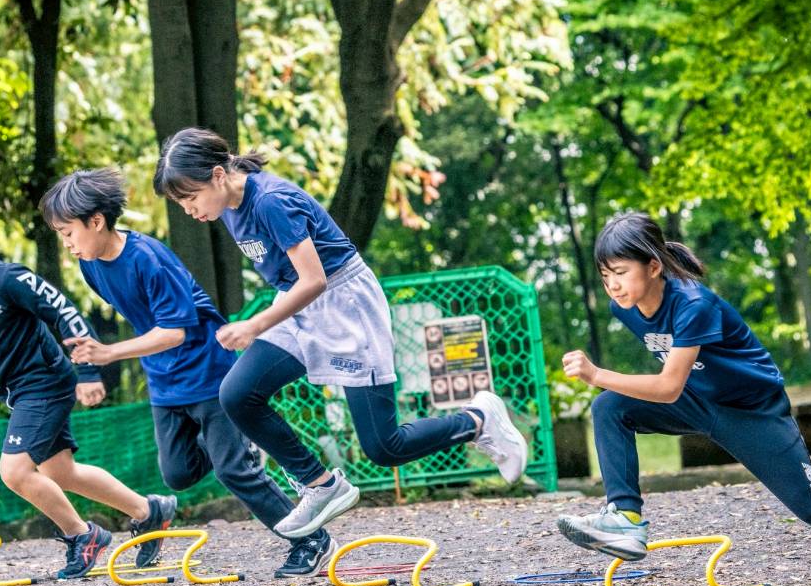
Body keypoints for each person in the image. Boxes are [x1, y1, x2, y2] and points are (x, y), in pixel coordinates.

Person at [153, 128, 530, 539]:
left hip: (344, 304)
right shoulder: (227, 206)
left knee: (384, 447)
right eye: (181, 202)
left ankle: (477, 420)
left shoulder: (270, 201)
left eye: (190, 198)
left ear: (218, 175)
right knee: (238, 394)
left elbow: (314, 279)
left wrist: (256, 324)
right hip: (297, 306)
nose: (188, 210)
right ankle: (320, 485)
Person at [553, 211, 811, 585]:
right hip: (697, 400)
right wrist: (607, 385)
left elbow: (667, 386)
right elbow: (675, 375)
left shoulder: (694, 304)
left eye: (622, 272)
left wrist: (596, 375)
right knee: (610, 407)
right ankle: (625, 518)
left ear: (653, 266)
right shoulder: (625, 308)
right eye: (605, 276)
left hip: (752, 411)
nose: (613, 286)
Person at [40, 168, 335, 577]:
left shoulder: (148, 259)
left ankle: (311, 539)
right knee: (177, 474)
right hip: (165, 381)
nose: (66, 243)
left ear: (96, 221)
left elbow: (175, 332)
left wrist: (109, 353)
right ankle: (230, 455)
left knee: (234, 470)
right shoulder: (92, 266)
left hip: (208, 371)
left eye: (68, 232)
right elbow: (149, 326)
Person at [0, 200, 176, 579]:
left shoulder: (6, 278)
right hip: (18, 392)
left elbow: (62, 311)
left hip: (45, 383)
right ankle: (149, 512)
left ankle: (83, 536)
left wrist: (89, 371)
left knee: (13, 471)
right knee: (63, 472)